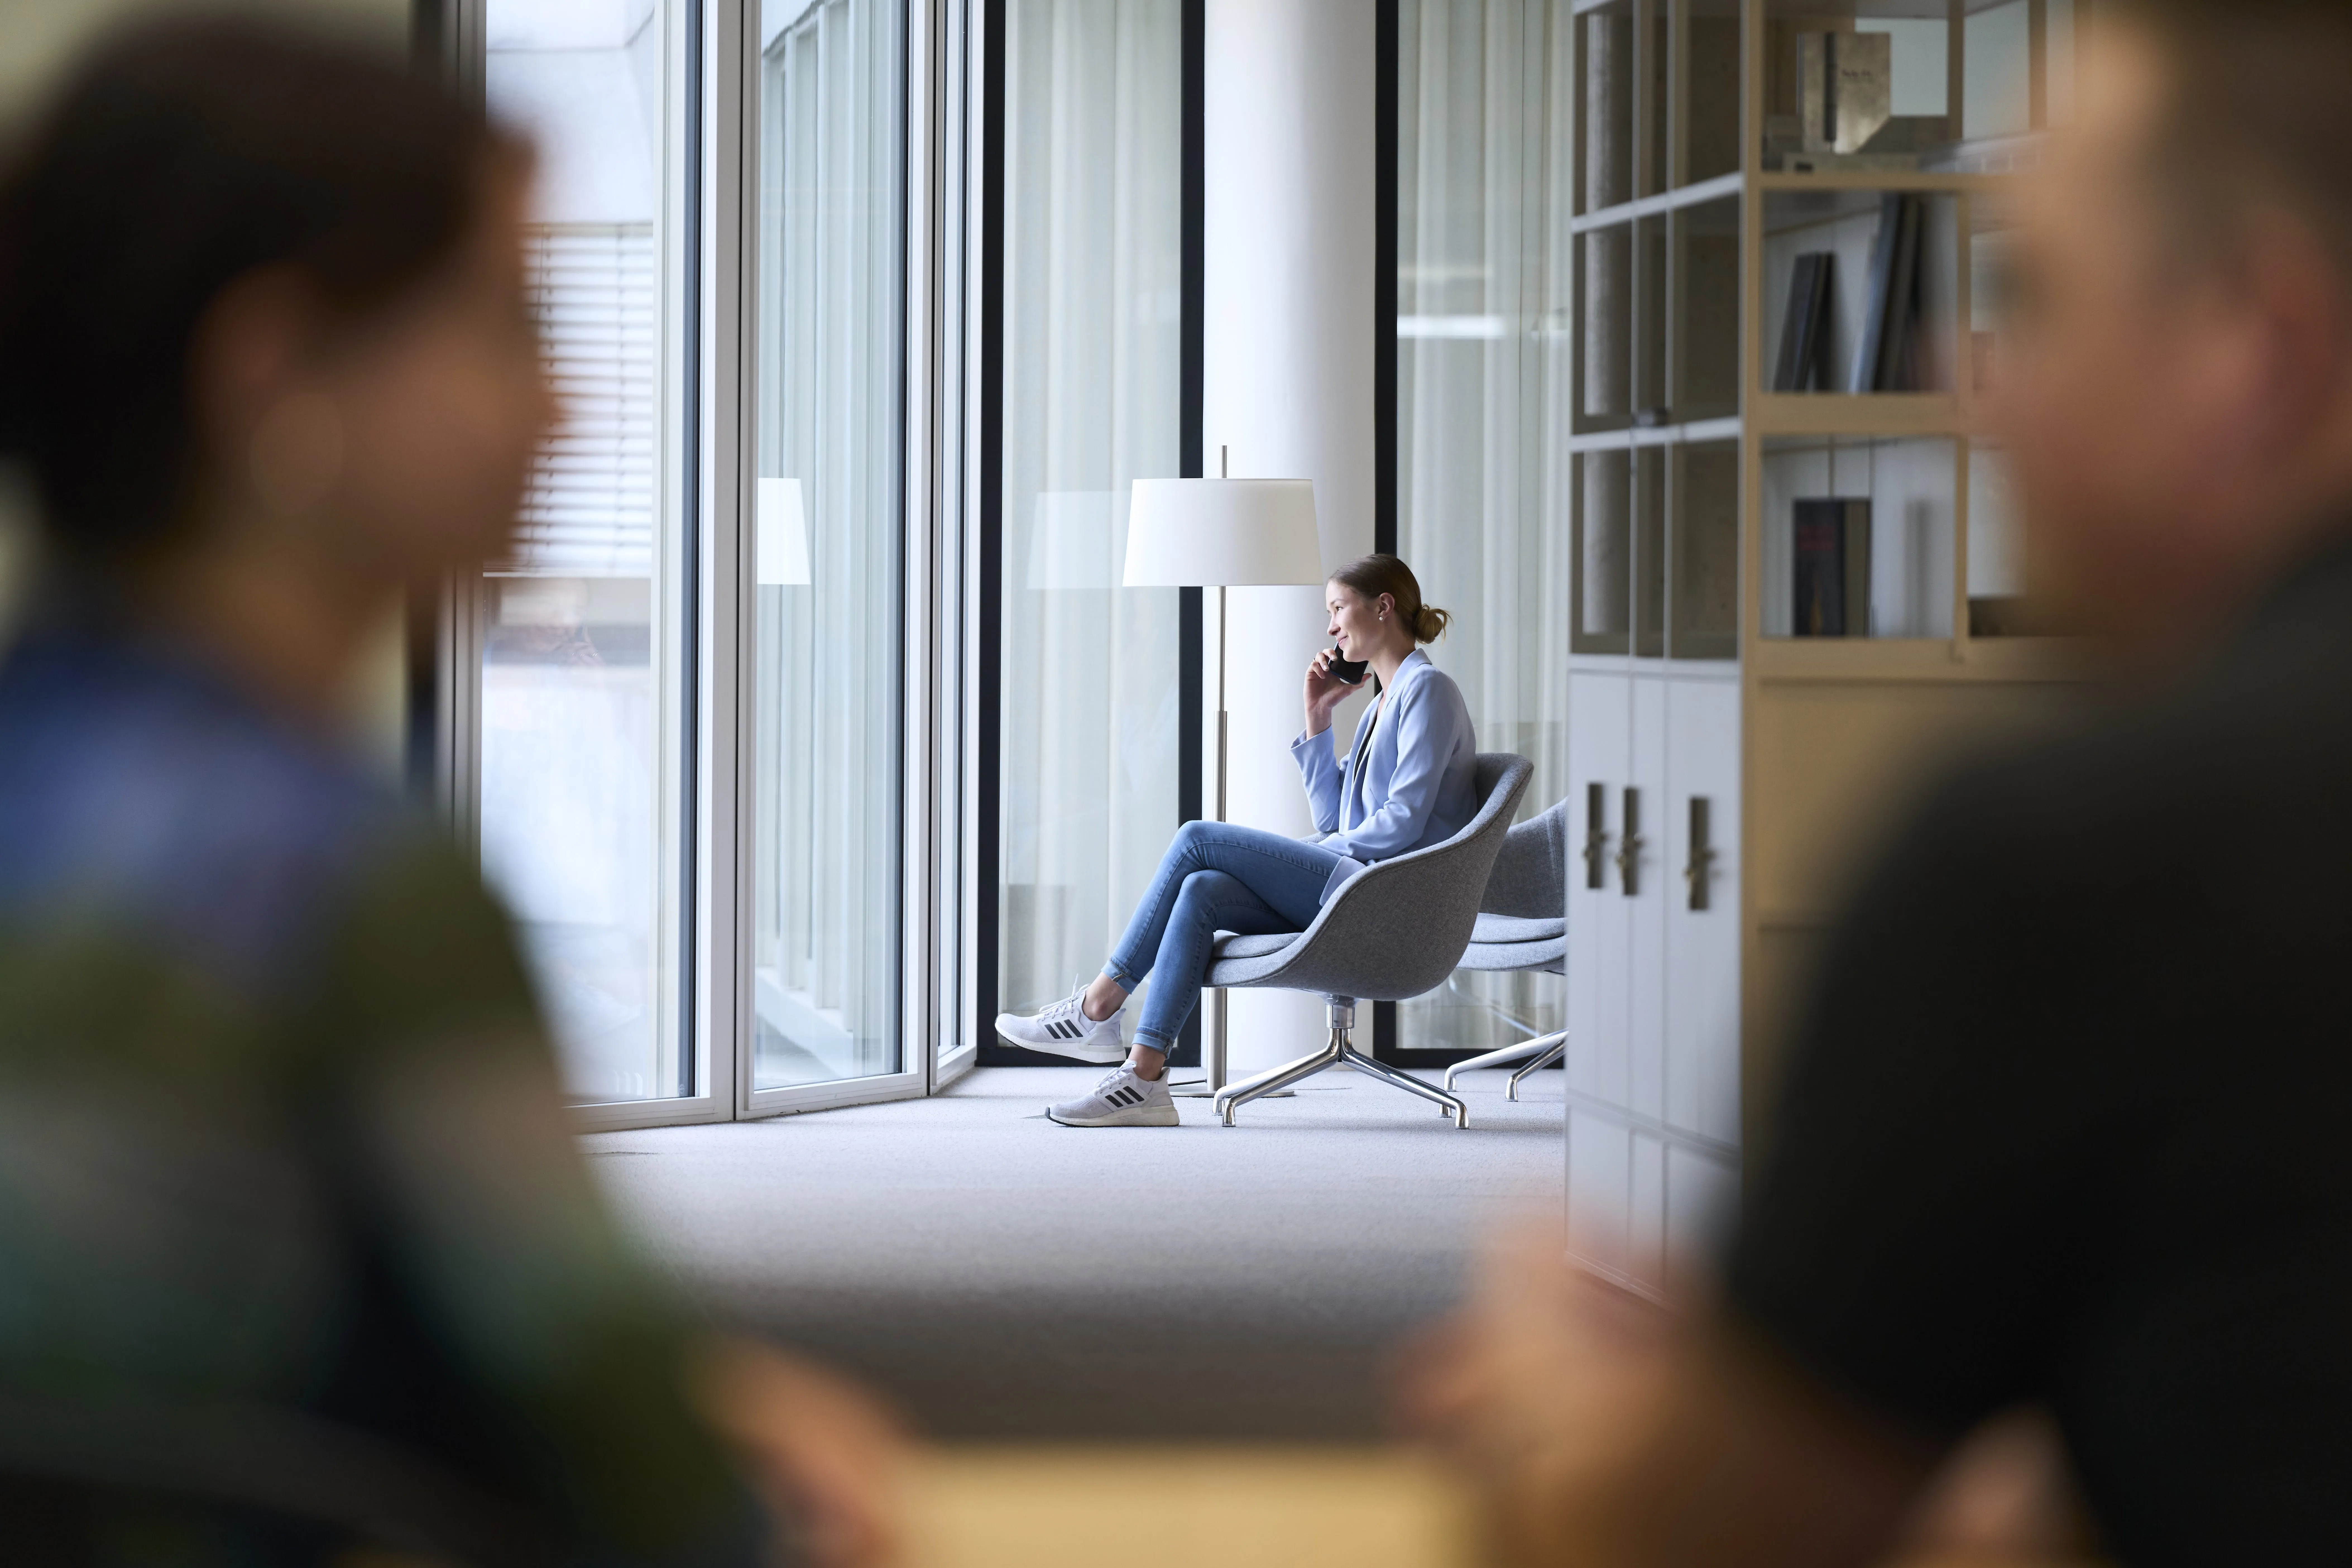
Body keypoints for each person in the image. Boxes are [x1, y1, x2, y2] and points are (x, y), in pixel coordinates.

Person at [1405, 3, 2352, 1564]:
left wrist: (1543, 1401)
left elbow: (1661, 1543)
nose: (1972, 386)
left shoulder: (2066, 866)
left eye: (2029, 297)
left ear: (2255, 342)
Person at [0, 17, 896, 1564]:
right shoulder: (339, 878)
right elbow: (673, 1520)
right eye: (509, 322)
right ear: (274, 372)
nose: (563, 406)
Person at [994, 554, 1477, 1127]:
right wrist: (1318, 717)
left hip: (1387, 897)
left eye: (1338, 608)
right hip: (1356, 883)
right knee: (1200, 890)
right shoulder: (1379, 705)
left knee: (1197, 838)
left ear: (1383, 606)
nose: (1330, 627)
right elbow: (1331, 815)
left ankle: (1098, 1007)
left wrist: (1324, 851)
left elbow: (1402, 823)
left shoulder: (1428, 690)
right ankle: (1144, 1078)